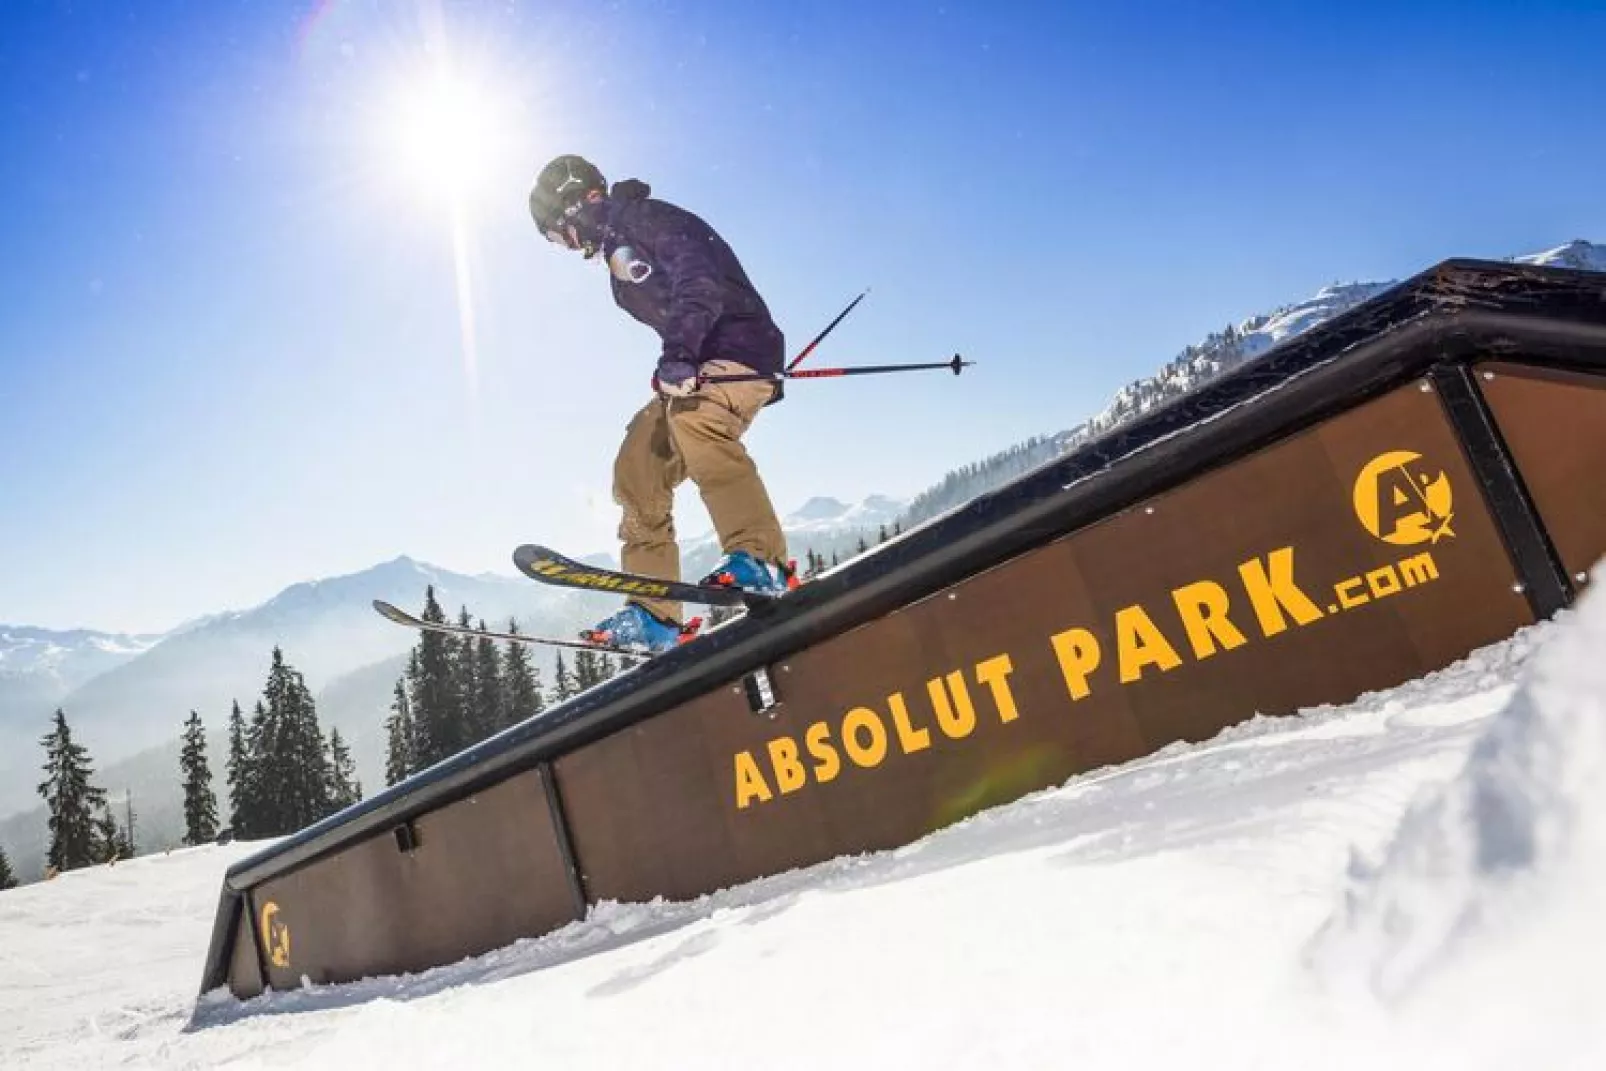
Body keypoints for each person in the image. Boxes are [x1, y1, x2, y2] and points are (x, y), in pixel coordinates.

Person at [528, 154, 793, 654]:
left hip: (742, 353)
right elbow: (672, 309)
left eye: (557, 234)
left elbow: (700, 282)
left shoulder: (650, 220)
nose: (564, 246)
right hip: (696, 365)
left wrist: (680, 353)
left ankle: (761, 560)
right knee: (638, 465)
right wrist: (675, 361)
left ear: (579, 204)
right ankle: (656, 617)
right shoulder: (617, 261)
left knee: (697, 421)